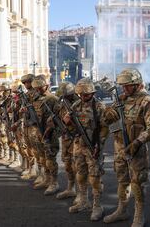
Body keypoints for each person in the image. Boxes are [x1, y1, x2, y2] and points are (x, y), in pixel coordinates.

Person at [103, 68, 150, 227]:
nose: (124, 88)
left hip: (136, 149)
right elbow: (106, 120)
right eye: (122, 86)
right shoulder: (121, 99)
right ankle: (122, 210)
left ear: (136, 84)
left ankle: (139, 215)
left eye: (127, 86)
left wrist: (137, 142)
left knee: (137, 182)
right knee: (122, 180)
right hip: (119, 147)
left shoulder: (147, 101)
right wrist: (110, 110)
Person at [64, 78, 109, 221]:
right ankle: (83, 201)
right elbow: (71, 129)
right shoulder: (76, 106)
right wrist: (68, 122)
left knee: (95, 178)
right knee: (80, 174)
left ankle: (97, 206)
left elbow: (104, 128)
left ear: (92, 93)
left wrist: (99, 144)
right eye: (81, 95)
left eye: (86, 95)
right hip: (79, 145)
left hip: (93, 147)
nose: (83, 97)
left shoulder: (100, 107)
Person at [31, 76, 61, 195]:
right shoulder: (36, 99)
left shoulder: (52, 99)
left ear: (47, 86)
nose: (38, 90)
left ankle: (54, 182)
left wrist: (51, 128)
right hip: (39, 132)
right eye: (36, 88)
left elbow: (58, 117)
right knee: (42, 158)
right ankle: (47, 179)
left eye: (40, 87)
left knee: (50, 159)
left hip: (50, 134)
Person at [55, 82, 79, 200]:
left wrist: (71, 123)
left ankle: (81, 194)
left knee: (78, 167)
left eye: (65, 96)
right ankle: (71, 188)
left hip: (77, 139)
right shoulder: (63, 103)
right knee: (68, 165)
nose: (63, 98)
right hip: (66, 139)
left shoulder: (79, 103)